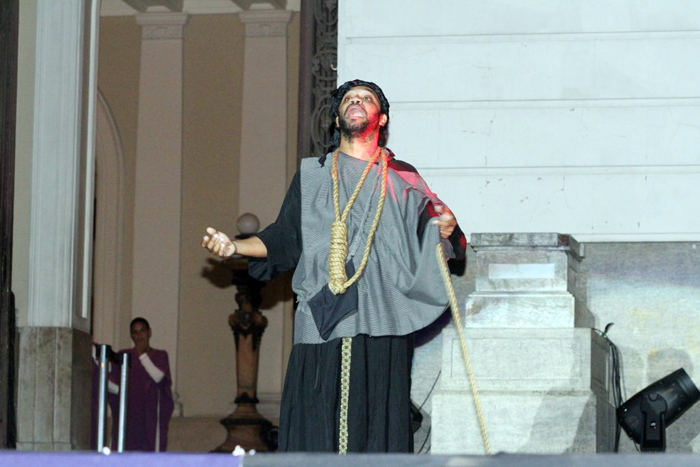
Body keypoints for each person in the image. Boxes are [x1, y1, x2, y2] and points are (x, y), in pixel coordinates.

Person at [201, 79, 465, 453]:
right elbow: (283, 238)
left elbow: (437, 235)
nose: (355, 101)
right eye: (348, 99)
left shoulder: (402, 178)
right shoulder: (313, 176)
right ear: (338, 118)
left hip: (382, 326)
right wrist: (234, 246)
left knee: (376, 426)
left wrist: (447, 229)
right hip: (322, 323)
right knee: (318, 424)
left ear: (382, 118)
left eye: (366, 98)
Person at [110, 317, 174, 452]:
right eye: (135, 332)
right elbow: (113, 387)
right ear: (131, 336)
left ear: (149, 332)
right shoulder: (124, 356)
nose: (139, 336)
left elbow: (160, 379)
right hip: (129, 420)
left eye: (142, 331)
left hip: (151, 420)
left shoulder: (160, 355)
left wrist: (143, 356)